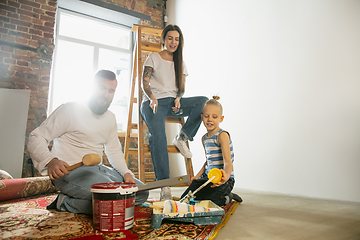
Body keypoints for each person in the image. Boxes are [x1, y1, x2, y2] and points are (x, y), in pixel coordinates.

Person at [27, 70, 149, 215]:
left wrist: (126, 173)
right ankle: (65, 203)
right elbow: (36, 137)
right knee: (111, 198)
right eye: (101, 88)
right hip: (70, 172)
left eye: (111, 91)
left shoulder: (110, 118)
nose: (106, 94)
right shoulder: (69, 109)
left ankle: (99, 203)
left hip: (99, 171)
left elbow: (114, 151)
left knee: (141, 192)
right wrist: (50, 161)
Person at [140, 24, 208, 200]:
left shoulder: (180, 63)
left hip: (172, 103)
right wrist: (152, 97)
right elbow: (144, 82)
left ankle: (182, 138)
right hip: (153, 102)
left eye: (177, 39)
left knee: (203, 102)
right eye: (170, 38)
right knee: (159, 136)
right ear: (164, 39)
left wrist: (179, 97)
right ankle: (164, 186)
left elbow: (182, 87)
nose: (173, 42)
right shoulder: (153, 57)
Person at [180, 96, 242, 206]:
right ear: (202, 117)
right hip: (208, 177)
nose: (210, 120)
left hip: (223, 179)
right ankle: (209, 192)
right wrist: (197, 176)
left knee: (212, 203)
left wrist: (226, 176)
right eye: (207, 116)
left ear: (221, 119)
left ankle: (228, 197)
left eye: (214, 117)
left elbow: (228, 161)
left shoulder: (222, 136)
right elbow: (208, 161)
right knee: (186, 198)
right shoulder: (204, 138)